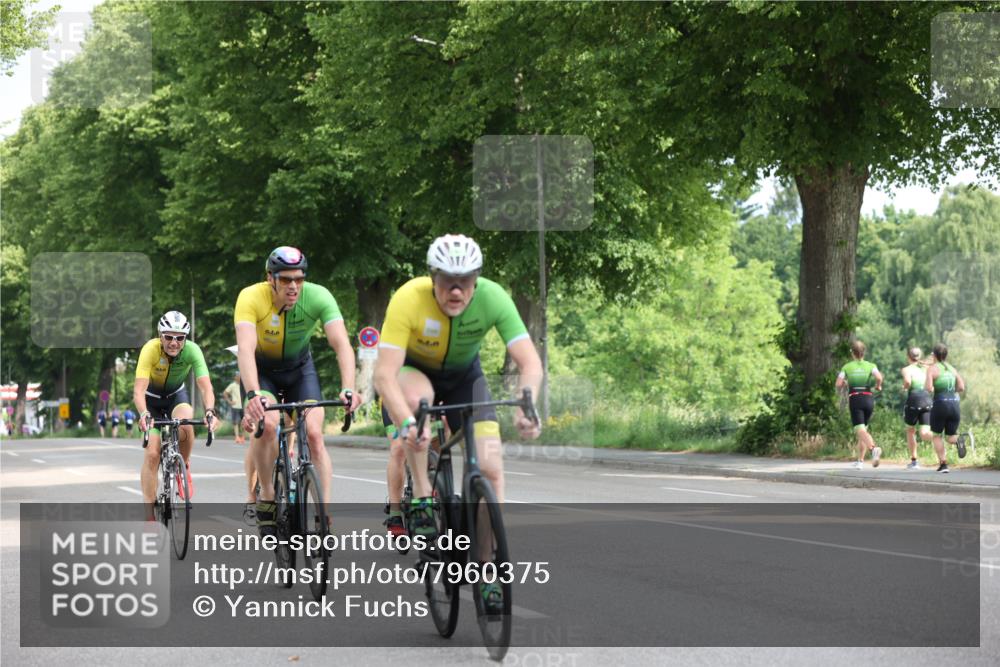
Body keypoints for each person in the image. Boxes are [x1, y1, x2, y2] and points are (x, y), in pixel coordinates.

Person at [375, 234, 543, 543]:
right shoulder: (408, 298)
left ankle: (485, 562)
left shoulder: (493, 297)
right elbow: (384, 375)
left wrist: (525, 406)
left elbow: (530, 363)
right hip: (415, 371)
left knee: (491, 470)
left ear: (476, 279)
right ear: (432, 277)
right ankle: (422, 495)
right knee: (416, 407)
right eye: (447, 280)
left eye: (465, 281)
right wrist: (407, 423)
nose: (456, 290)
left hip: (465, 378)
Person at [236, 247, 360, 538]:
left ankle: (323, 513)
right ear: (271, 278)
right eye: (286, 279)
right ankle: (267, 494)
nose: (293, 286)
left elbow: (342, 344)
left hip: (300, 371)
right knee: (268, 425)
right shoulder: (251, 297)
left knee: (315, 434)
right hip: (263, 373)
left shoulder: (318, 296)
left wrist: (349, 388)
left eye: (299, 279)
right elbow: (245, 348)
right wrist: (253, 394)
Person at [134, 311, 217, 520]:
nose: (174, 342)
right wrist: (143, 413)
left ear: (185, 338)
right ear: (160, 335)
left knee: (186, 423)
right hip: (151, 401)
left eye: (180, 338)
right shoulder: (150, 349)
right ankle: (149, 514)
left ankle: (183, 466)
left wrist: (209, 411)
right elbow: (138, 390)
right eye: (169, 337)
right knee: (152, 454)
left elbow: (206, 387)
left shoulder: (192, 350)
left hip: (175, 397)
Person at [835, 340, 884, 469]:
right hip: (868, 399)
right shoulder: (871, 365)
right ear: (864, 352)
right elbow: (879, 377)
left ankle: (873, 449)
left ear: (852, 353)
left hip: (856, 399)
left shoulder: (847, 367)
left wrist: (845, 383)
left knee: (860, 430)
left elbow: (838, 384)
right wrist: (878, 386)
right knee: (863, 430)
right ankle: (860, 461)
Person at [924, 343, 969, 473]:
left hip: (941, 404)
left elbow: (928, 388)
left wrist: (936, 387)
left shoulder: (932, 369)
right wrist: (949, 391)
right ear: (946, 355)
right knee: (950, 437)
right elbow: (961, 387)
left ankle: (943, 465)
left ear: (934, 355)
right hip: (954, 404)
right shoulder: (952, 368)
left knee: (936, 435)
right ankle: (959, 440)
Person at [900, 347, 933, 469]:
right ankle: (944, 438)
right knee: (924, 433)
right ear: (919, 356)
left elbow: (908, 382)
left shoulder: (906, 369)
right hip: (927, 400)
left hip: (914, 400)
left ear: (908, 357)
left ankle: (914, 462)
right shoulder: (926, 368)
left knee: (910, 431)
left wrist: (904, 387)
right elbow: (931, 387)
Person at [223, 373, 245, 445]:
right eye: (237, 376)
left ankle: (242, 436)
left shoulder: (244, 385)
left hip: (243, 406)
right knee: (235, 422)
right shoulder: (232, 385)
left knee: (244, 422)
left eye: (240, 376)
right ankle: (237, 437)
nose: (239, 378)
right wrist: (230, 401)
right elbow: (225, 393)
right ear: (235, 378)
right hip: (235, 406)